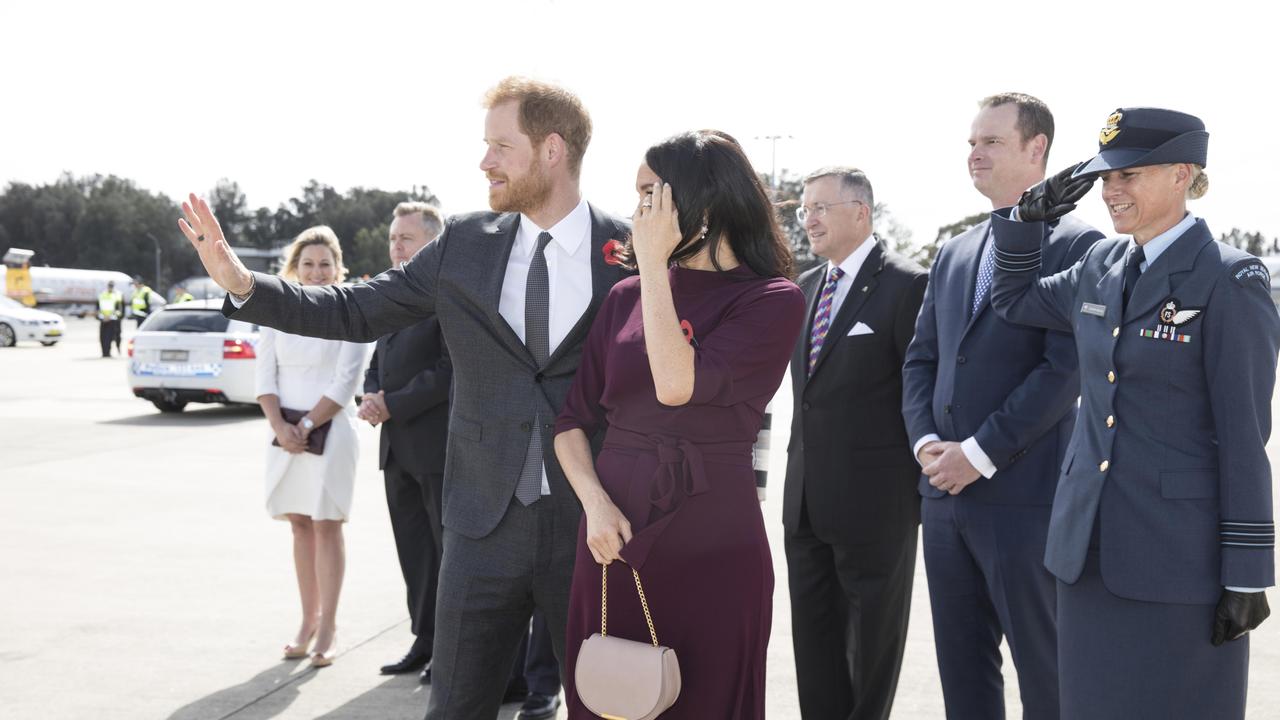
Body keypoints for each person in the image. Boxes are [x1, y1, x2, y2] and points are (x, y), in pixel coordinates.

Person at [179, 77, 632, 719]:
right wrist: (246, 284)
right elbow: (358, 309)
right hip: (479, 526)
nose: (484, 162)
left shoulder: (632, 253)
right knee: (454, 708)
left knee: (607, 706)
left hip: (593, 530)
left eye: (501, 146)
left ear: (552, 150)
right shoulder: (466, 244)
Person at [989, 107, 1276, 719]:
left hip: (1177, 561)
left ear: (1182, 174)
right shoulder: (1101, 266)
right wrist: (1023, 222)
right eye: (1105, 178)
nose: (1112, 191)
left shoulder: (1229, 280)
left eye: (1130, 175)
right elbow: (1011, 302)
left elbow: (1245, 436)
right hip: (1084, 553)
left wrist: (1248, 572)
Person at [554, 130, 804, 718]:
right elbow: (571, 421)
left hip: (714, 538)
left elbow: (676, 384)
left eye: (650, 194)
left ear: (702, 203)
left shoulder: (773, 299)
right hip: (610, 534)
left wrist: (653, 268)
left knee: (708, 699)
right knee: (610, 696)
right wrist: (593, 503)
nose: (637, 209)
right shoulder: (622, 298)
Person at [900, 93, 1103, 719]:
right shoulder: (957, 251)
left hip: (1025, 502)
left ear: (1036, 148)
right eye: (970, 142)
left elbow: (1063, 370)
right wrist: (927, 445)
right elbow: (922, 359)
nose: (974, 153)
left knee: (1048, 676)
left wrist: (980, 454)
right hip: (944, 500)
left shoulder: (1079, 246)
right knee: (963, 676)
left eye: (990, 141)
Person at [782, 166, 927, 720]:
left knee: (871, 648)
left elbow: (921, 394)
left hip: (876, 508)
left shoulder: (908, 285)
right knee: (812, 645)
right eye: (804, 209)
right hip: (805, 505)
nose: (809, 219)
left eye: (821, 207)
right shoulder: (806, 288)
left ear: (861, 212)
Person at [255, 226, 367, 669]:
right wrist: (281, 427)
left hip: (332, 431)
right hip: (283, 435)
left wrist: (303, 424)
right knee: (298, 523)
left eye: (325, 264)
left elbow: (346, 381)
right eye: (308, 264)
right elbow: (264, 378)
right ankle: (306, 620)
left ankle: (329, 626)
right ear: (294, 269)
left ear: (339, 269)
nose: (317, 272)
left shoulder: (354, 314)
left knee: (326, 524)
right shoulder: (275, 314)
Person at [358, 202, 451, 684]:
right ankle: (424, 638)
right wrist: (372, 397)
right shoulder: (392, 297)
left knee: (443, 552)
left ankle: (449, 649)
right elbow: (379, 359)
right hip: (395, 448)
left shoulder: (445, 295)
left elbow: (447, 371)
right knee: (413, 551)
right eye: (393, 238)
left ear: (431, 243)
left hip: (435, 449)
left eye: (406, 239)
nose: (396, 246)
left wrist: (394, 403)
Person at [97, 280, 123, 357]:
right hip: (103, 319)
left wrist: (110, 317)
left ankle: (108, 352)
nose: (110, 288)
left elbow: (119, 310)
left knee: (109, 337)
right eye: (109, 286)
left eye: (112, 286)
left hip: (112, 320)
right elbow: (98, 308)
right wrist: (102, 317)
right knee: (102, 337)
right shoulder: (102, 295)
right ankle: (104, 353)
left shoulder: (117, 295)